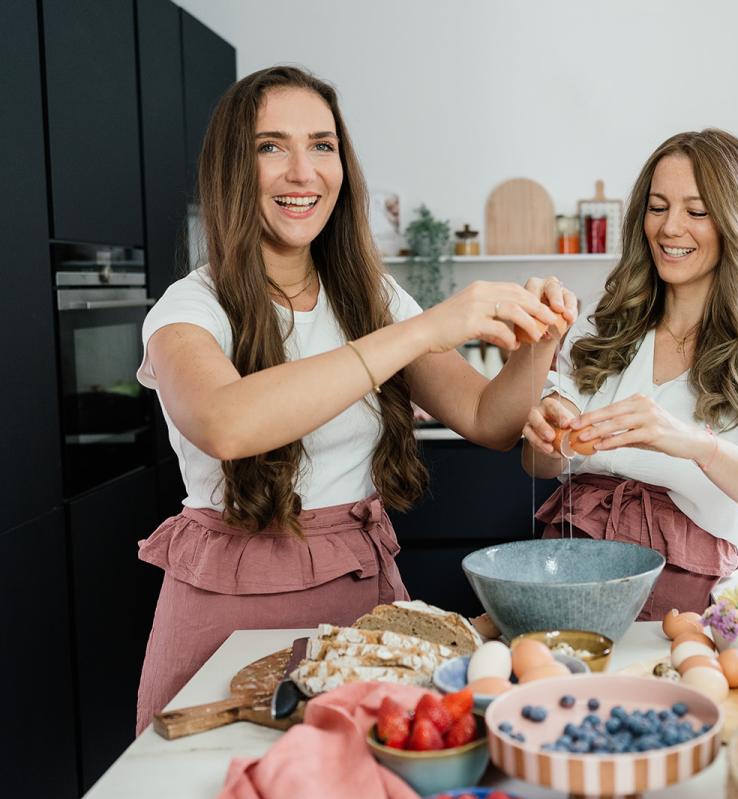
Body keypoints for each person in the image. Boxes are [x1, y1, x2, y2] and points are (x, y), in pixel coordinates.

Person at [134, 66, 576, 733]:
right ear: (231, 167)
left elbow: (489, 419)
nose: (302, 171)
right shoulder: (190, 308)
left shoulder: (373, 298)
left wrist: (540, 340)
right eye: (270, 146)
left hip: (358, 606)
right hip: (229, 613)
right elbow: (225, 423)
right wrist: (421, 329)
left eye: (322, 145)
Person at [521, 129, 738, 620]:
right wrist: (547, 433)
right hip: (565, 569)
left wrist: (692, 441)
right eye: (658, 207)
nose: (669, 228)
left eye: (697, 211)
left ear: (737, 223)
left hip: (681, 602)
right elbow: (540, 468)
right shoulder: (601, 327)